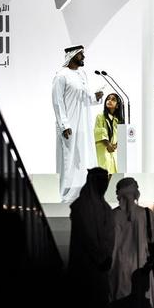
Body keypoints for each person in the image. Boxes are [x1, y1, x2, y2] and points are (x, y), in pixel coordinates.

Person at [52, 45, 103, 203]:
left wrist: (96, 97)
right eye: (81, 55)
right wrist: (64, 124)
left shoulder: (82, 74)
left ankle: (83, 192)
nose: (83, 58)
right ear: (73, 55)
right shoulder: (61, 76)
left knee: (84, 158)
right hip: (69, 126)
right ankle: (64, 195)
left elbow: (85, 98)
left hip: (83, 126)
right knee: (69, 159)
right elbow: (57, 102)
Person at [109, 177, 154, 308]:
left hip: (118, 266)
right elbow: (153, 238)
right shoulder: (145, 214)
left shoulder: (112, 215)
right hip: (141, 266)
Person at [68, 167, 114, 308]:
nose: (104, 185)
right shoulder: (81, 207)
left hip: (101, 267)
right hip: (86, 265)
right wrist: (101, 257)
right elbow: (87, 237)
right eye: (100, 181)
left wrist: (107, 256)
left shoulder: (105, 207)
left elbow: (109, 236)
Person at [94, 93, 125, 174]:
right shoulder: (100, 116)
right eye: (108, 99)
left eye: (113, 99)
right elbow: (98, 131)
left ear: (117, 105)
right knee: (104, 172)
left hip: (114, 150)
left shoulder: (118, 120)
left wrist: (116, 145)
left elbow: (121, 135)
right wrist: (108, 144)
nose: (109, 101)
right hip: (103, 148)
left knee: (115, 172)